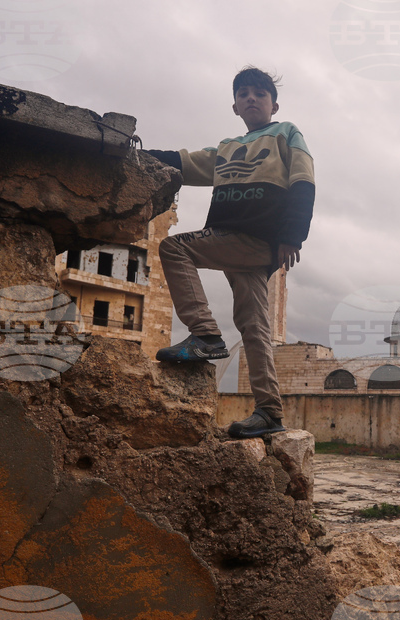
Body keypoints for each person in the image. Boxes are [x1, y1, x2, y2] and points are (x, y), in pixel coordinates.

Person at [147, 66, 314, 438]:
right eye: (243, 94)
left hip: (257, 237)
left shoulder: (286, 134)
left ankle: (205, 333)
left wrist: (293, 236)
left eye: (260, 93)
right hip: (233, 240)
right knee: (255, 328)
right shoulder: (225, 149)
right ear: (235, 106)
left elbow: (304, 181)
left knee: (174, 248)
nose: (251, 97)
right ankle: (270, 412)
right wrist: (137, 153)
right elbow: (183, 161)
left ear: (274, 104)